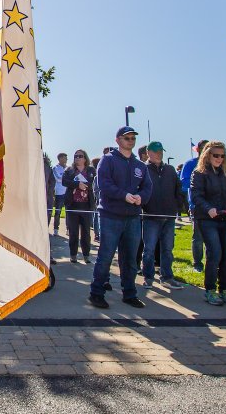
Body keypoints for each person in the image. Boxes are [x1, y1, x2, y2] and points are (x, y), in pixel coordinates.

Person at [88, 126, 152, 310]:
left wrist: (142, 197)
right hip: (110, 215)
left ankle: (129, 293)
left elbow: (147, 187)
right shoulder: (107, 161)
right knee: (105, 256)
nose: (130, 141)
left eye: (132, 138)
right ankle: (97, 293)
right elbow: (104, 185)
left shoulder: (140, 165)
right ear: (118, 140)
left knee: (130, 259)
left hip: (132, 217)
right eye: (126, 138)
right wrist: (123, 195)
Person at [190, 140, 226, 305]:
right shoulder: (199, 173)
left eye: (222, 156)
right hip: (208, 219)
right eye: (216, 155)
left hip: (225, 219)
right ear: (207, 155)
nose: (219, 159)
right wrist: (208, 208)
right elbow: (196, 195)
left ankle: (225, 289)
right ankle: (209, 289)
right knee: (214, 253)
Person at [141, 141, 183, 289]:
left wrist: (177, 208)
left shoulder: (170, 170)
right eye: (156, 151)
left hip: (169, 216)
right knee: (149, 249)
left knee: (167, 249)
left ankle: (167, 277)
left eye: (161, 151)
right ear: (148, 152)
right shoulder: (143, 169)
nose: (159, 154)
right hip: (150, 216)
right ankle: (148, 276)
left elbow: (178, 190)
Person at [61, 150, 95, 263]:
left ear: (85, 158)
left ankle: (86, 255)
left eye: (80, 156)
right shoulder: (69, 170)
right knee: (73, 232)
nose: (77, 158)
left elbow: (96, 184)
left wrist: (86, 186)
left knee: (86, 233)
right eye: (75, 156)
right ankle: (73, 255)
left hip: (86, 206)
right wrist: (77, 184)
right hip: (72, 205)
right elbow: (64, 182)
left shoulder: (91, 170)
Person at [180, 140, 208, 271]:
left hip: (214, 207)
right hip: (197, 206)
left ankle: (211, 263)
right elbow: (184, 184)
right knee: (198, 237)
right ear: (198, 149)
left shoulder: (215, 164)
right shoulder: (190, 164)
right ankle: (197, 263)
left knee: (212, 238)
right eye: (203, 148)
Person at [51, 152, 68, 235]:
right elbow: (57, 179)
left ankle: (68, 229)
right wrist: (66, 179)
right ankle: (55, 229)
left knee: (68, 212)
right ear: (60, 158)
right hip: (59, 193)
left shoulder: (69, 168)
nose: (66, 159)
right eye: (65, 157)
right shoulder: (55, 168)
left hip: (68, 193)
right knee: (58, 212)